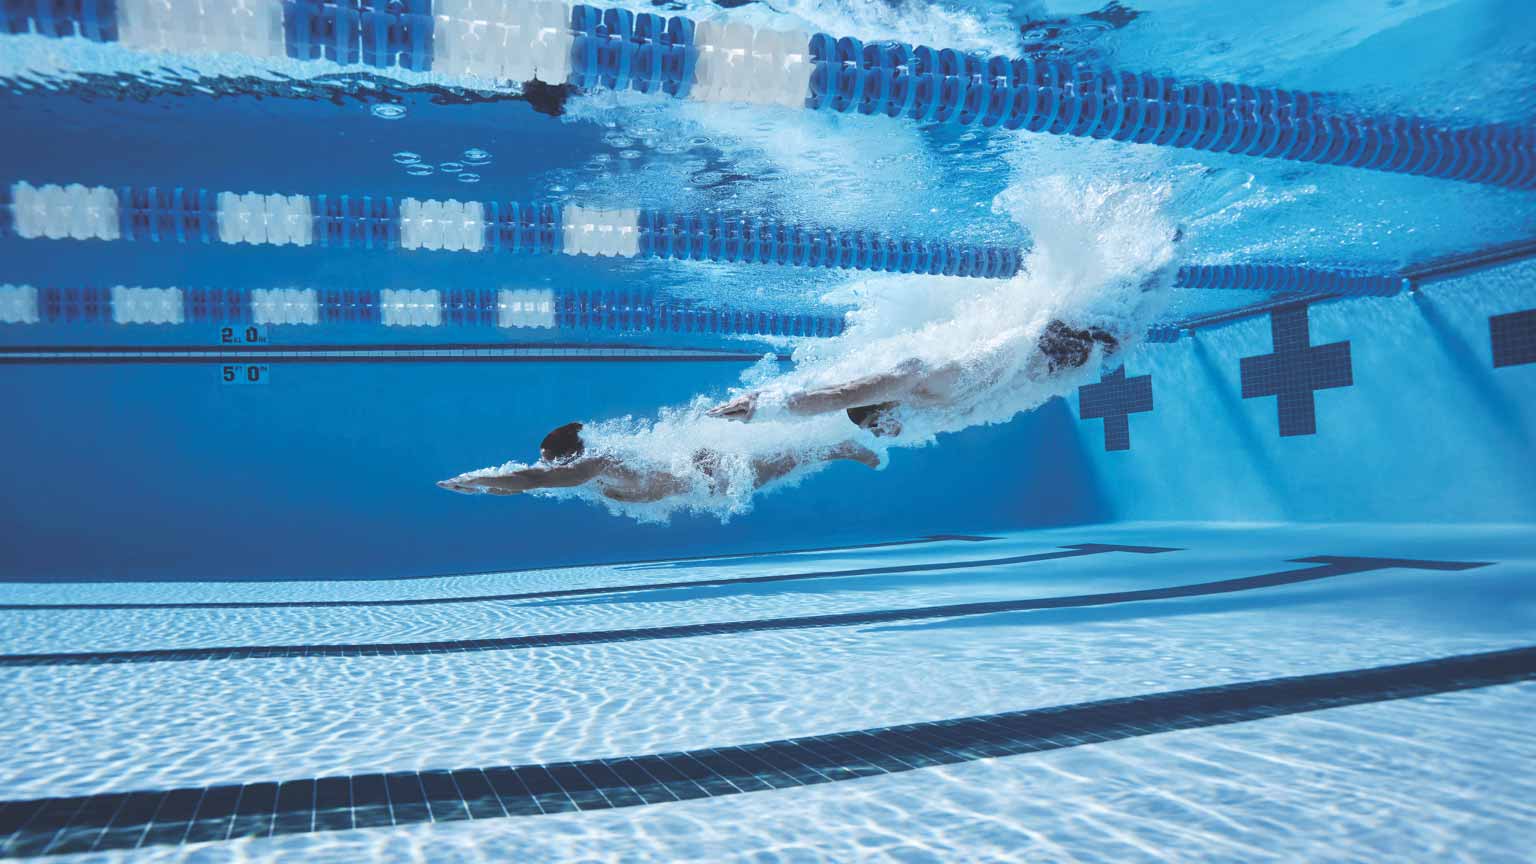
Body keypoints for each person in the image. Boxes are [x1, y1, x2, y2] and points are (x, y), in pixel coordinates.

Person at [706, 318, 1120, 436]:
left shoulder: (916, 383)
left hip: (1058, 345)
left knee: (1128, 322)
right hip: (1054, 352)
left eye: (873, 424)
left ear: (884, 404)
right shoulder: (922, 403)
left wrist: (765, 407)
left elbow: (840, 394)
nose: (879, 433)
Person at [438, 421, 880, 503]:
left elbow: (531, 480)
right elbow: (531, 483)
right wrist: (487, 488)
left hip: (710, 474)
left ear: (566, 457)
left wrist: (476, 480)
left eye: (547, 460)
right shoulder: (585, 472)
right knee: (777, 467)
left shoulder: (594, 465)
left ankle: (839, 446)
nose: (545, 467)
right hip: (698, 477)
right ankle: (833, 447)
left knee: (779, 466)